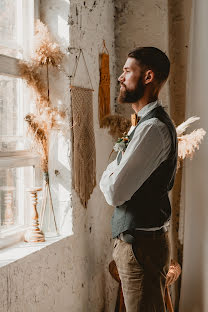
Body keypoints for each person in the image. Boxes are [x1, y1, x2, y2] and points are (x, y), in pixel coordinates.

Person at [99, 47, 178, 311]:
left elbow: (114, 192)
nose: (120, 77)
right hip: (136, 244)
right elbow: (115, 177)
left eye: (127, 71)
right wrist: (111, 174)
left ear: (148, 77)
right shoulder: (141, 124)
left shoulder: (153, 129)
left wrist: (107, 175)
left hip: (140, 248)